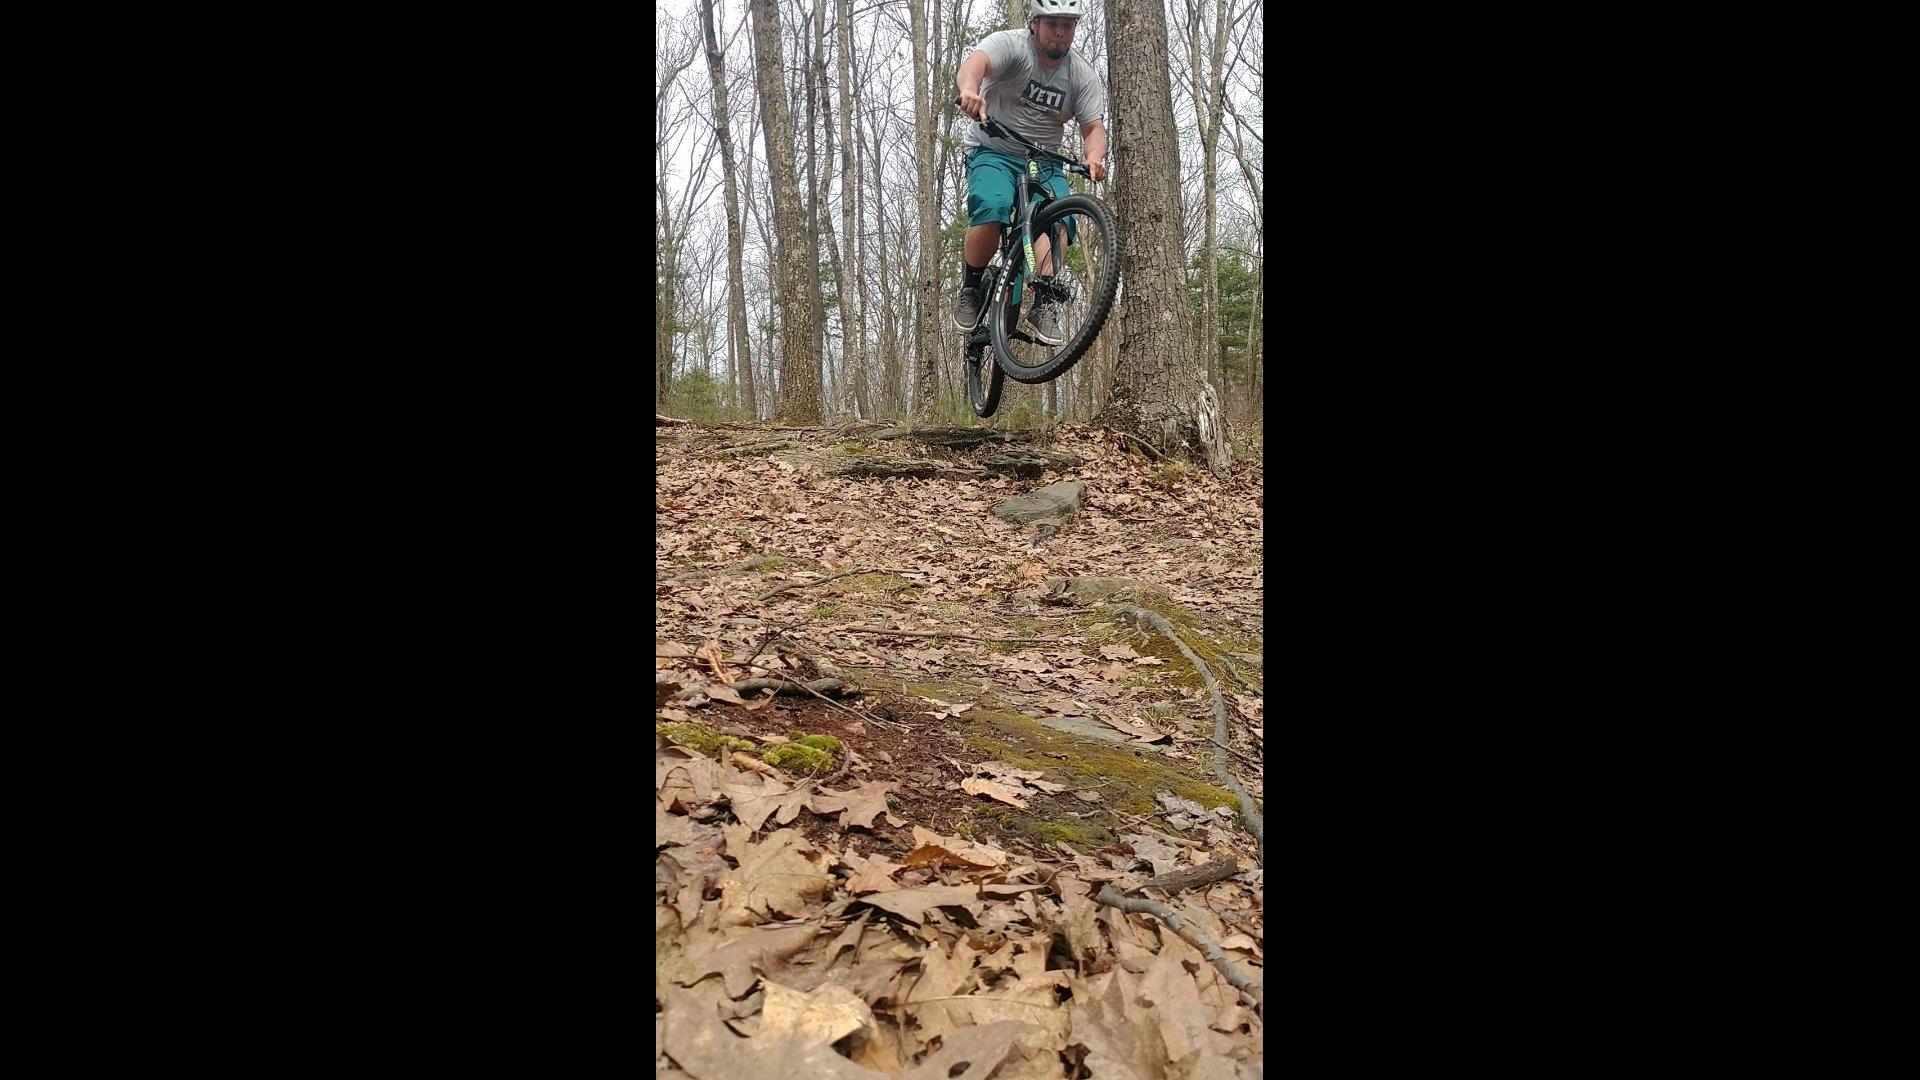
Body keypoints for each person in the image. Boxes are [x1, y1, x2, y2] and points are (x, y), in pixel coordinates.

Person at [952, 0, 1108, 344]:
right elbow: (974, 64)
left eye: (1068, 24)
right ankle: (971, 287)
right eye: (1053, 23)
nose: (1060, 32)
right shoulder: (1011, 46)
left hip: (1044, 159)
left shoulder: (1081, 74)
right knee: (991, 206)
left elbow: (1093, 128)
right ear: (1034, 22)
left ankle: (1045, 300)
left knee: (1061, 218)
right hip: (994, 147)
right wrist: (969, 90)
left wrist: (1095, 157)